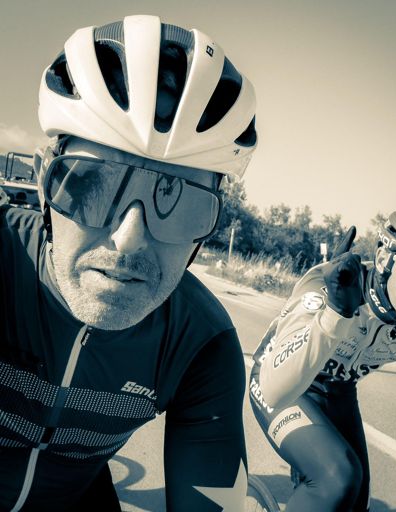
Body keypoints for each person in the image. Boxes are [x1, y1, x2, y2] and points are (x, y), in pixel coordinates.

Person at [0, 14, 257, 511]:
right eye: (91, 183)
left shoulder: (201, 344)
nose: (128, 240)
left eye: (178, 200)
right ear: (44, 183)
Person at [249, 205, 396, 511]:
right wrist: (336, 313)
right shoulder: (333, 286)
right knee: (337, 478)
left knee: (356, 502)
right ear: (383, 259)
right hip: (280, 380)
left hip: (338, 390)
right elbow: (275, 389)